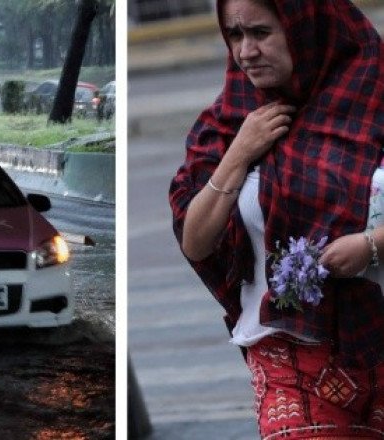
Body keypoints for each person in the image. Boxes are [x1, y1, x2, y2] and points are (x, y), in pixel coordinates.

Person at [169, 0, 384, 438]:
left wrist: (372, 245)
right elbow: (196, 242)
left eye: (261, 33)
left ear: (305, 28)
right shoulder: (229, 123)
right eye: (234, 35)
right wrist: (239, 153)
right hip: (289, 361)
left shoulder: (373, 99)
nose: (246, 51)